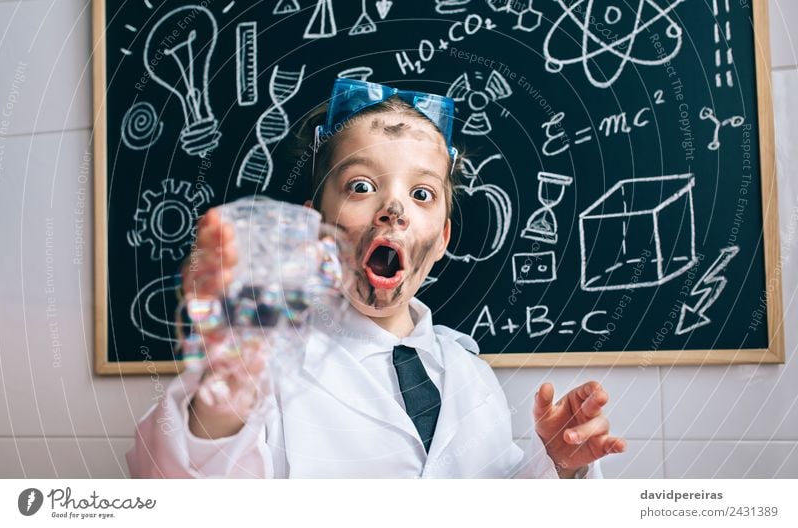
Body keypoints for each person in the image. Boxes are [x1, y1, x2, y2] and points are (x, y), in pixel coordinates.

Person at [126, 78, 626, 478]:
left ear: (444, 237)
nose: (394, 209)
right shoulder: (271, 366)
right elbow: (177, 489)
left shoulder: (472, 377)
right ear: (315, 228)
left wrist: (557, 467)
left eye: (423, 194)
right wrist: (227, 392)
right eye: (361, 186)